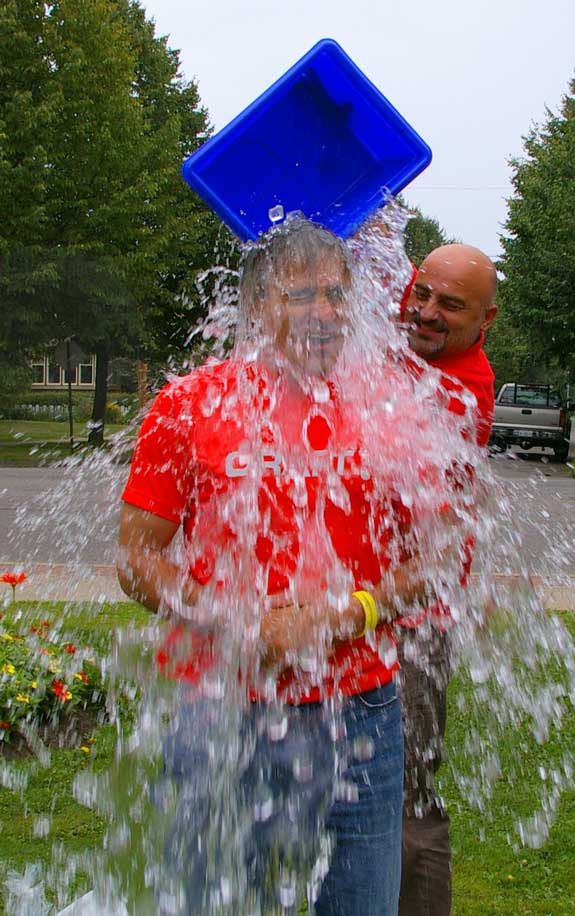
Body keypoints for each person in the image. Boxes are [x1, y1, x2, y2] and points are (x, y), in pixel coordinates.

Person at [116, 219, 474, 915]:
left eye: (337, 295)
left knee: (362, 903)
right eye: (301, 294)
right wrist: (239, 620)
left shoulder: (390, 409)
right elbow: (135, 557)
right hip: (223, 699)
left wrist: (350, 613)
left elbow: (437, 558)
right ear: (255, 308)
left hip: (364, 710)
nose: (324, 312)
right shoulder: (191, 405)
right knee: (207, 901)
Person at [397, 243, 498, 916]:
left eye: (450, 306)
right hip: (358, 605)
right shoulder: (412, 333)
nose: (427, 313)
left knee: (406, 797)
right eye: (422, 293)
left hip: (412, 617)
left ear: (485, 320)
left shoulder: (464, 390)